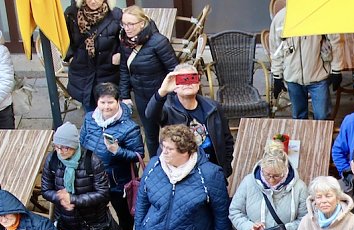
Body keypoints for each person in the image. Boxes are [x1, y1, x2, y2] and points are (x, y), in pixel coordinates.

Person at [134, 125, 231, 230]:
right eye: (163, 146)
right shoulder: (154, 166)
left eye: (169, 149)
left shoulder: (210, 174)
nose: (163, 152)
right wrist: (139, 228)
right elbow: (142, 199)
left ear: (185, 151)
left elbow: (221, 209)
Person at [229, 140, 308, 230]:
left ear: (285, 170)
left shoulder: (299, 188)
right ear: (262, 167)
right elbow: (235, 211)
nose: (271, 180)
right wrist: (250, 228)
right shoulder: (248, 182)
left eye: (276, 176)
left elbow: (304, 219)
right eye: (267, 175)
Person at [41, 122, 112, 230]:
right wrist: (60, 198)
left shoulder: (92, 161)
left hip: (94, 219)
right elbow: (46, 189)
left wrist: (72, 199)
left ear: (74, 145)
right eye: (57, 147)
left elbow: (103, 193)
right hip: (68, 219)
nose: (60, 151)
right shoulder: (52, 160)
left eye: (65, 147)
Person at [146, 64, 235, 178]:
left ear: (198, 83)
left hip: (212, 170)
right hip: (179, 172)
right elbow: (150, 115)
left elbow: (227, 139)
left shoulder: (213, 107)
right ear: (175, 87)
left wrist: (225, 169)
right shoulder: (167, 108)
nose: (188, 83)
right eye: (183, 79)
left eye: (192, 78)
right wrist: (162, 92)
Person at [79, 82, 145, 230]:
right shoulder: (89, 119)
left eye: (110, 102)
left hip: (117, 181)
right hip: (93, 177)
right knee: (96, 212)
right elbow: (82, 142)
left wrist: (118, 151)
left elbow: (138, 154)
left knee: (124, 214)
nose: (106, 107)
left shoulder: (130, 127)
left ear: (118, 102)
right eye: (102, 102)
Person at [118, 5, 178, 156]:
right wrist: (125, 95)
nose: (127, 28)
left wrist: (171, 95)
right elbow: (124, 69)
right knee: (150, 136)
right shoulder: (125, 42)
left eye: (131, 24)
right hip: (141, 96)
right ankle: (154, 162)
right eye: (124, 24)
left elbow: (173, 70)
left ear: (142, 24)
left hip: (162, 97)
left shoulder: (159, 42)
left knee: (171, 134)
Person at [269, 2, 343, 120]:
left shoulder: (322, 14)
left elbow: (336, 43)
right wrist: (277, 76)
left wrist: (336, 70)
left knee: (322, 117)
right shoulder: (280, 19)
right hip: (293, 78)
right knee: (299, 118)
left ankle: (322, 133)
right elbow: (276, 50)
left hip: (318, 76)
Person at [64, 0, 123, 113]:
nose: (93, 1)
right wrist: (70, 57)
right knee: (90, 112)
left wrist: (120, 54)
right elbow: (64, 39)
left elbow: (126, 39)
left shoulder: (116, 15)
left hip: (108, 71)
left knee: (109, 111)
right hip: (83, 71)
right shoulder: (72, 14)